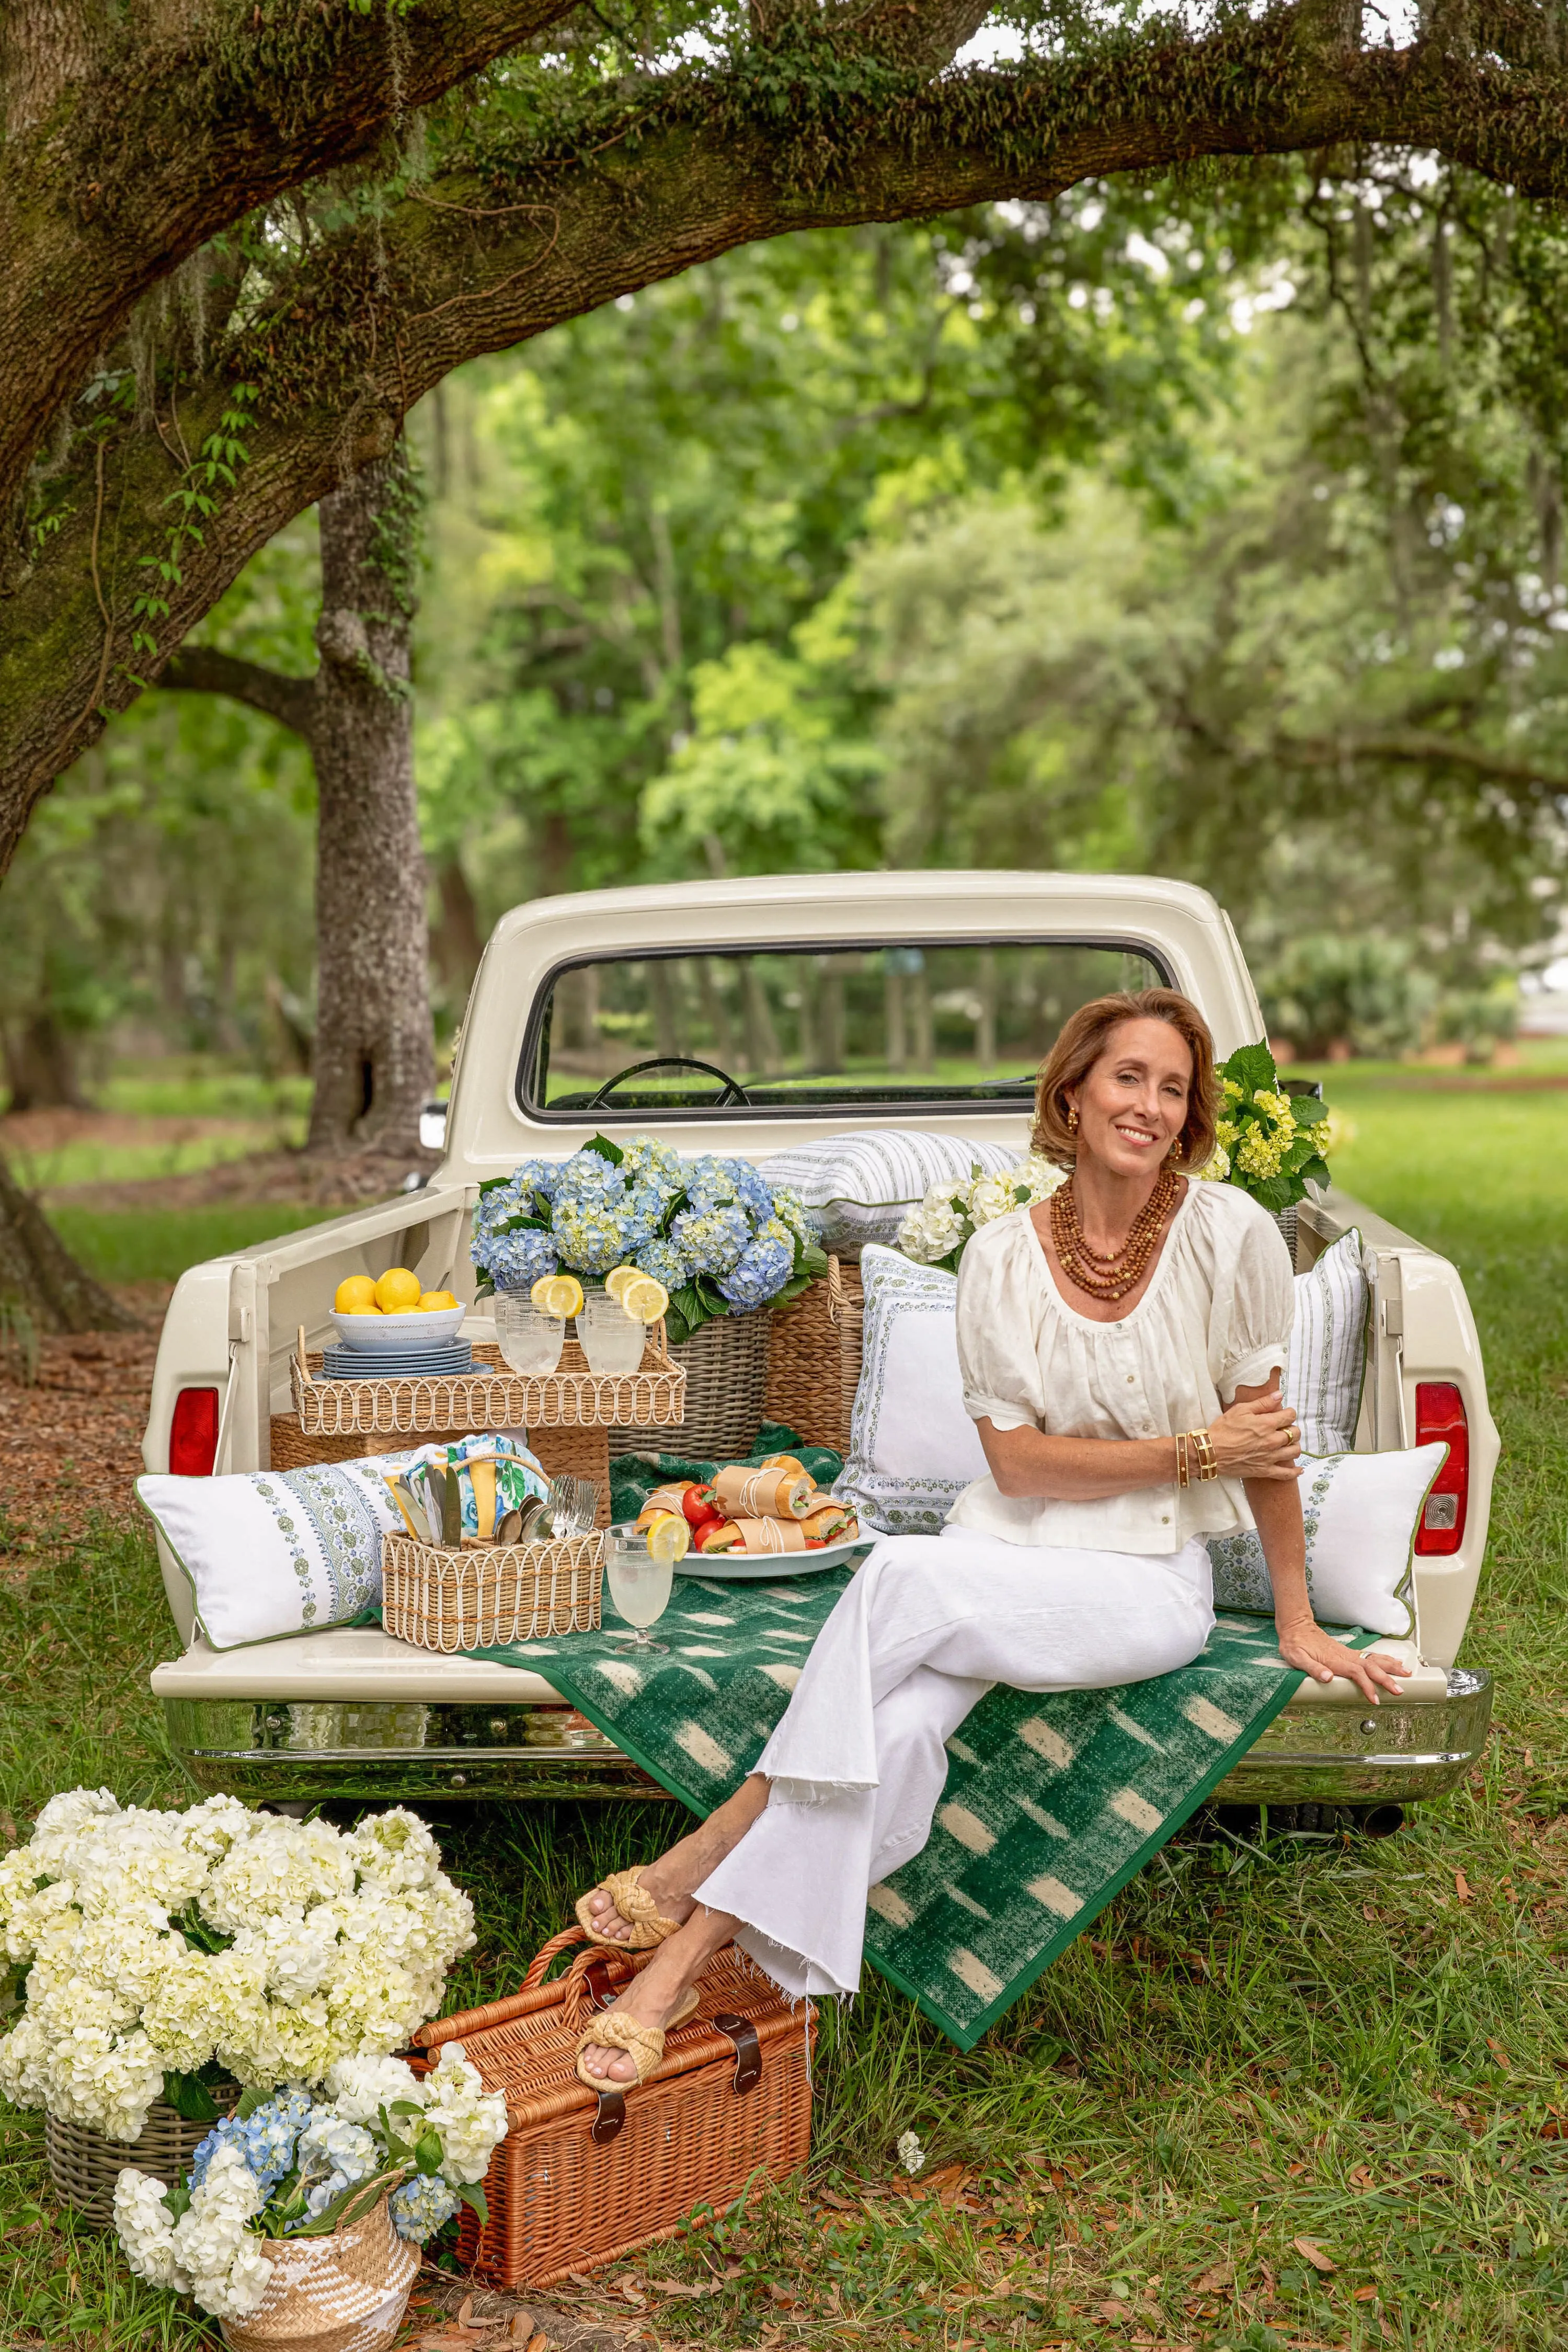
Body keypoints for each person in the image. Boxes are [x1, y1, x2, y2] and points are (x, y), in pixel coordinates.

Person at [571, 988, 1411, 2090]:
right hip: (1002, 1553)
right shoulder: (1003, 1254)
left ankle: (719, 1834)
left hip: (1143, 1583)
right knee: (899, 1730)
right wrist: (1192, 1447)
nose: (1150, 1105)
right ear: (1073, 1094)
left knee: (897, 1569)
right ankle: (684, 1962)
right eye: (1128, 1076)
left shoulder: (1228, 1233)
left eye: (1172, 1088)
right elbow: (1017, 1467)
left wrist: (1293, 1616)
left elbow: (1259, 1443)